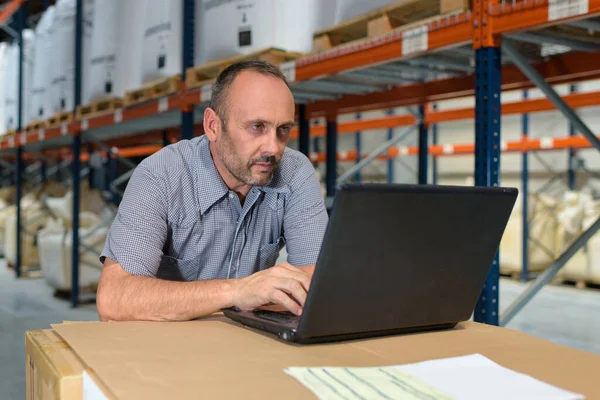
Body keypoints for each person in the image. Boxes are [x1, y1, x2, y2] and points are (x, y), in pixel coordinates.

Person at [96, 61, 329, 322]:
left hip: (247, 342)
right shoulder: (160, 175)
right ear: (212, 126)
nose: (273, 148)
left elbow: (317, 285)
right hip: (167, 345)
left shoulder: (295, 172)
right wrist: (237, 291)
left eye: (283, 129)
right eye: (257, 127)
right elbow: (113, 299)